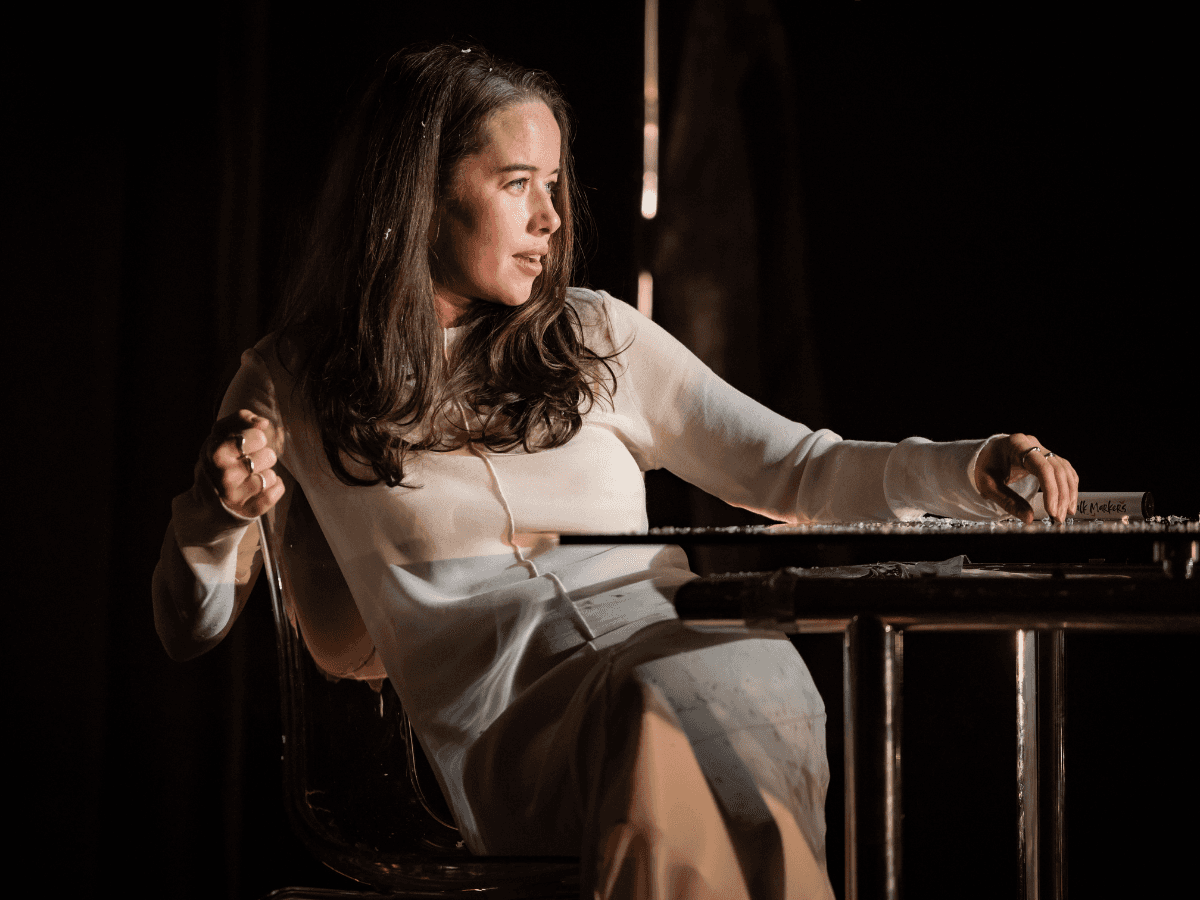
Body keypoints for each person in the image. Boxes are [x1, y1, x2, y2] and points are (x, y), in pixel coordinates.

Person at [153, 42, 1079, 900]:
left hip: (694, 653)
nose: (552, 218)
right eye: (518, 183)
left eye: (553, 183)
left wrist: (968, 469)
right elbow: (188, 628)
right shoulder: (293, 379)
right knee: (650, 711)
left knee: (714, 676)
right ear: (419, 197)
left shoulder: (595, 333)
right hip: (522, 720)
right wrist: (215, 511)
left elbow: (799, 470)